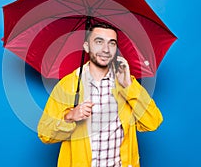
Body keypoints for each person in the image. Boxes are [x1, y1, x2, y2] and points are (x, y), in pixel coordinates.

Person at [37, 22, 163, 167]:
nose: (106, 49)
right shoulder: (69, 85)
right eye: (99, 42)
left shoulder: (126, 83)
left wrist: (129, 86)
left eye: (112, 43)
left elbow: (152, 122)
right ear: (86, 46)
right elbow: (44, 133)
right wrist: (70, 116)